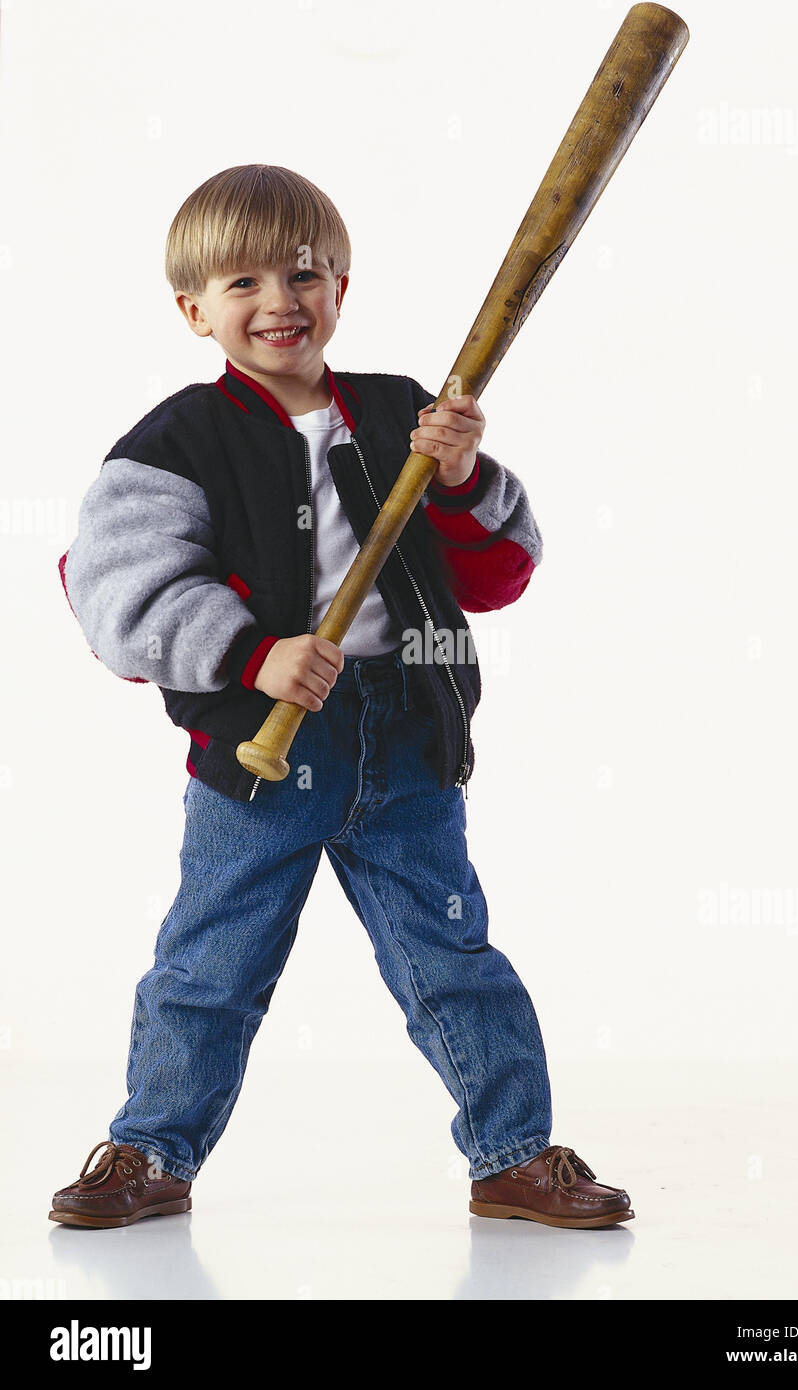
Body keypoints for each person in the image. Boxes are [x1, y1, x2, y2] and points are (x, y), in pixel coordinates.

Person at [50, 164, 633, 1231]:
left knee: (452, 953)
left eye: (303, 272)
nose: (279, 300)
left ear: (341, 287)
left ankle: (511, 1153)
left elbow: (497, 572)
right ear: (193, 311)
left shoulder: (400, 413)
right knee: (209, 964)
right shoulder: (176, 442)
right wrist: (246, 653)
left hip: (405, 737)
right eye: (242, 283)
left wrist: (459, 481)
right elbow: (109, 590)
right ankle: (150, 1149)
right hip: (261, 755)